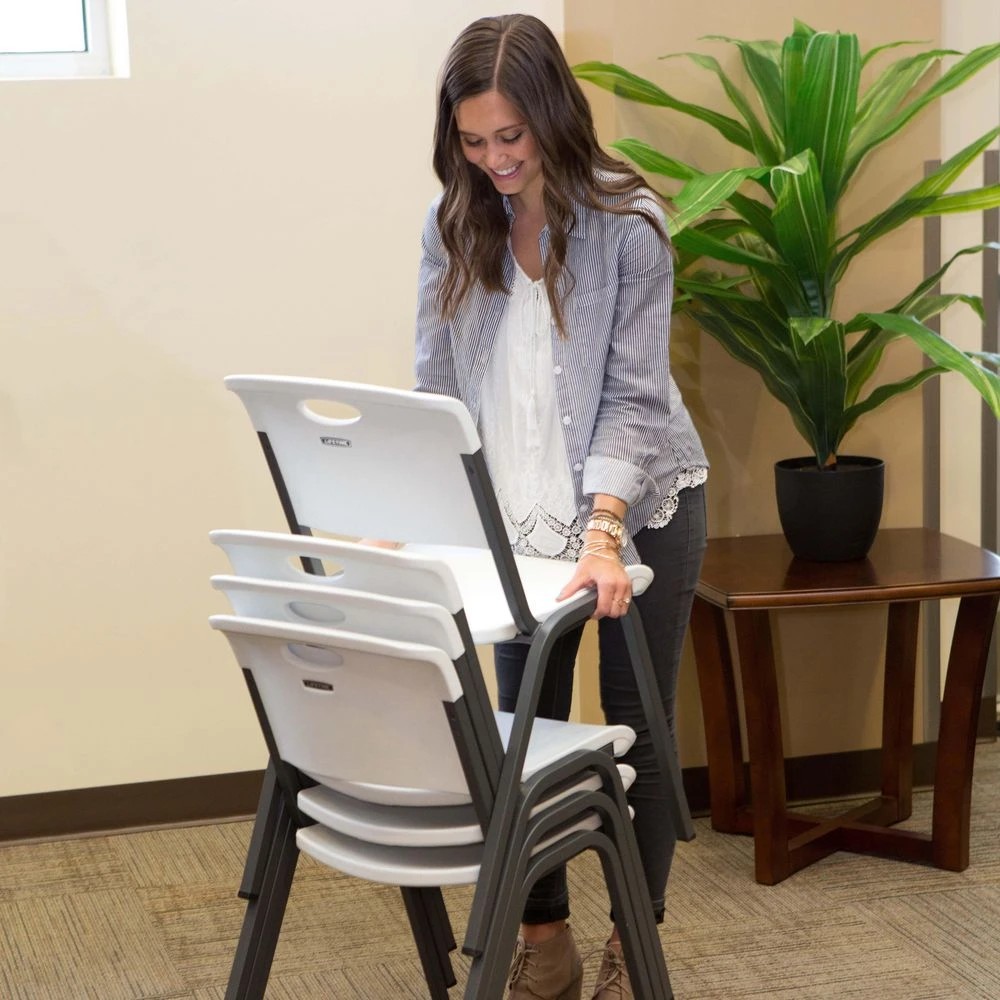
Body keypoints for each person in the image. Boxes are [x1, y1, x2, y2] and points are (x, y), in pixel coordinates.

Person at [415, 13, 708, 1000]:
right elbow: (434, 388)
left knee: (637, 724)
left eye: (512, 136)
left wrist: (603, 535)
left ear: (552, 116)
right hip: (515, 516)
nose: (495, 159)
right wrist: (409, 513)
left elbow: (632, 394)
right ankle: (546, 943)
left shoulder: (627, 225)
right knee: (522, 729)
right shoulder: (454, 222)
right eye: (473, 140)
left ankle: (638, 941)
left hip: (636, 511)